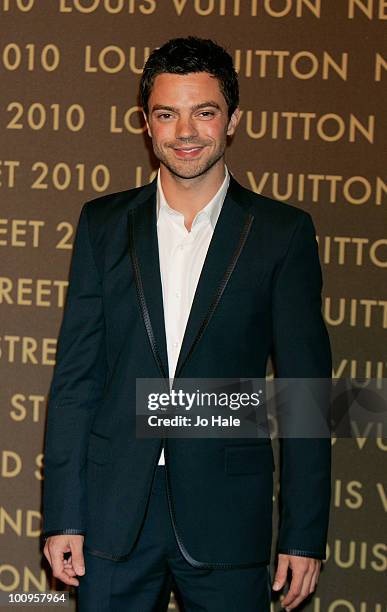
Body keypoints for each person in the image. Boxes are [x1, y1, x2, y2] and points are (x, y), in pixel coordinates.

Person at [42, 36, 332, 611]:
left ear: (232, 121)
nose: (186, 132)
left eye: (204, 112)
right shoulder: (102, 225)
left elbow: (305, 395)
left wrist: (303, 532)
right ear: (147, 125)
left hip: (229, 513)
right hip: (112, 511)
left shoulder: (282, 233)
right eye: (166, 114)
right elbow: (77, 380)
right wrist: (63, 515)